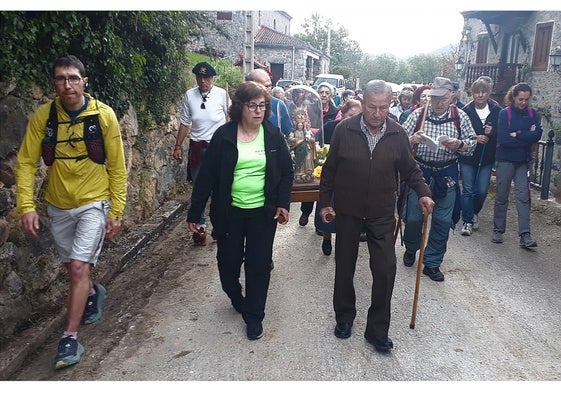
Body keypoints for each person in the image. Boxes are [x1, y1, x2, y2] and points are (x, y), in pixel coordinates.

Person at [14, 54, 127, 369]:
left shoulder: (103, 116)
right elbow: (25, 162)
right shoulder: (43, 117)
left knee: (78, 266)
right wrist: (26, 206)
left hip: (94, 202)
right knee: (74, 269)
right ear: (55, 83)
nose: (68, 85)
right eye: (61, 79)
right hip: (58, 204)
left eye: (73, 78)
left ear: (84, 81)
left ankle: (69, 338)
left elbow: (117, 167)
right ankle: (93, 292)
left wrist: (115, 210)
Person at [319, 80, 434, 353]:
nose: (377, 113)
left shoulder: (396, 134)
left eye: (384, 107)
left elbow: (411, 170)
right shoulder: (344, 130)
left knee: (385, 270)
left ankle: (377, 330)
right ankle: (344, 317)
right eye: (372, 107)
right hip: (348, 210)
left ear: (390, 104)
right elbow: (330, 170)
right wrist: (325, 203)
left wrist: (423, 192)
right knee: (344, 266)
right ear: (363, 102)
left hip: (382, 213)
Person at [186, 81, 294, 340]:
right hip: (229, 212)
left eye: (262, 105)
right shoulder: (223, 136)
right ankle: (236, 296)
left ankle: (254, 316)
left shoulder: (273, 135)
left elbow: (287, 172)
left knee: (258, 266)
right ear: (240, 108)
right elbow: (207, 178)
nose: (258, 111)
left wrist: (282, 204)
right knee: (228, 264)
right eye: (252, 105)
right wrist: (195, 213)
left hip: (262, 213)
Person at [401, 77, 477, 282]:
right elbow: (398, 142)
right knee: (415, 218)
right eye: (435, 98)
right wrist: (411, 139)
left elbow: (472, 143)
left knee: (443, 221)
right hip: (420, 173)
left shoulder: (460, 117)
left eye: (443, 98)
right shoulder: (418, 115)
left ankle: (432, 262)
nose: (438, 103)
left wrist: (460, 145)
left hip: (447, 174)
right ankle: (411, 247)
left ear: (451, 97)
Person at [173, 61, 229, 246]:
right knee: (199, 188)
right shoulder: (189, 95)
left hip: (218, 147)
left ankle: (220, 226)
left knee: (220, 189)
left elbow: (231, 119)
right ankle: (201, 227)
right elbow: (185, 122)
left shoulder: (222, 94)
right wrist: (178, 146)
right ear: (196, 78)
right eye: (200, 77)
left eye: (207, 77)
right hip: (198, 148)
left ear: (212, 78)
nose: (203, 81)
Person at [492, 83, 543, 248]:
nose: (523, 102)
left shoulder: (532, 113)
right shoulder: (503, 114)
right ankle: (498, 230)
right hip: (505, 160)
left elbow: (538, 134)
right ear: (513, 97)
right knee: (501, 196)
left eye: (526, 99)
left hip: (522, 162)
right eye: (520, 99)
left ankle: (525, 234)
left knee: (523, 197)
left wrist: (519, 134)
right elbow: (504, 140)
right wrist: (526, 137)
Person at [316, 98, 363, 256]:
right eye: (350, 115)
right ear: (342, 114)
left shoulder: (362, 132)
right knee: (328, 208)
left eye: (358, 115)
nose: (353, 119)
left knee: (347, 216)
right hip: (331, 175)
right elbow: (318, 144)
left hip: (352, 179)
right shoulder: (331, 127)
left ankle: (344, 243)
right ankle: (327, 238)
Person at [459, 79, 502, 235]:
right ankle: (467, 221)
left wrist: (493, 131)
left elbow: (502, 134)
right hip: (468, 156)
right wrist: (475, 138)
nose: (480, 95)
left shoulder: (497, 111)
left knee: (482, 190)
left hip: (486, 158)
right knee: (468, 190)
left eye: (483, 92)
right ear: (473, 94)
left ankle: (474, 211)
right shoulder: (465, 111)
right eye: (477, 92)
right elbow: (460, 133)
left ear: (488, 93)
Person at [299, 82, 338, 228]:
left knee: (324, 183)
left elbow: (335, 127)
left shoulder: (336, 110)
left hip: (327, 148)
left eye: (326, 93)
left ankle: (322, 222)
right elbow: (304, 124)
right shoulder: (309, 108)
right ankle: (305, 211)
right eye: (321, 92)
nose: (323, 95)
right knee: (310, 178)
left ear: (331, 95)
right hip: (310, 146)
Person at [245, 68, 293, 137]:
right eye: (265, 86)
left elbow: (288, 132)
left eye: (270, 86)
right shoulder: (241, 105)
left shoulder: (278, 106)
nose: (269, 89)